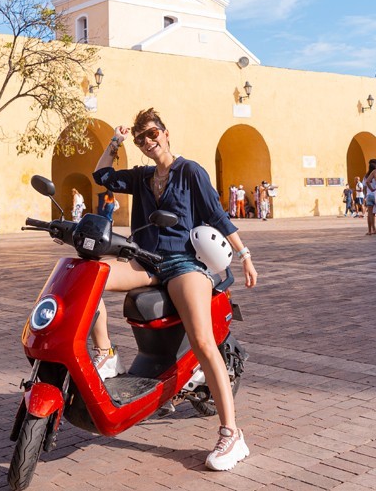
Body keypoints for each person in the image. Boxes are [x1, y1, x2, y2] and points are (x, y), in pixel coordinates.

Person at [92, 108, 257, 471]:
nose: (147, 142)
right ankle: (106, 353)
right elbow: (101, 175)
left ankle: (232, 433)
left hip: (184, 263)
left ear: (165, 133)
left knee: (202, 340)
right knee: (91, 276)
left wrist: (243, 254)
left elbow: (215, 214)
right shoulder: (142, 176)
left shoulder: (190, 171)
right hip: (146, 262)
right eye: (140, 139)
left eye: (151, 134)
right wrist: (115, 140)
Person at [363, 159, 376, 235]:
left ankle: (370, 230)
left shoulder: (366, 176)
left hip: (369, 195)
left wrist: (365, 196)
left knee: (370, 214)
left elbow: (364, 187)